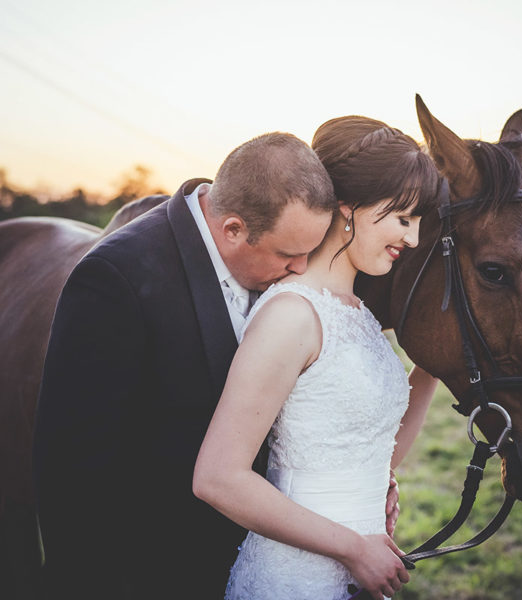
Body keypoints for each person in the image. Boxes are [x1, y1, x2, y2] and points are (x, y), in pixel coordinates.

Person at [32, 132, 339, 599]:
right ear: (233, 229)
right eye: (287, 254)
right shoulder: (116, 278)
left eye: (309, 253)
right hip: (153, 574)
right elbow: (73, 472)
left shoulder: (276, 267)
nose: (301, 269)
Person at [193, 116, 441, 600]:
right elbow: (218, 477)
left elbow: (377, 451)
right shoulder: (292, 314)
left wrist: (429, 366)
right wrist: (353, 548)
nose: (411, 239)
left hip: (361, 576)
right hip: (293, 581)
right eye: (402, 218)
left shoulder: (359, 313)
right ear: (349, 208)